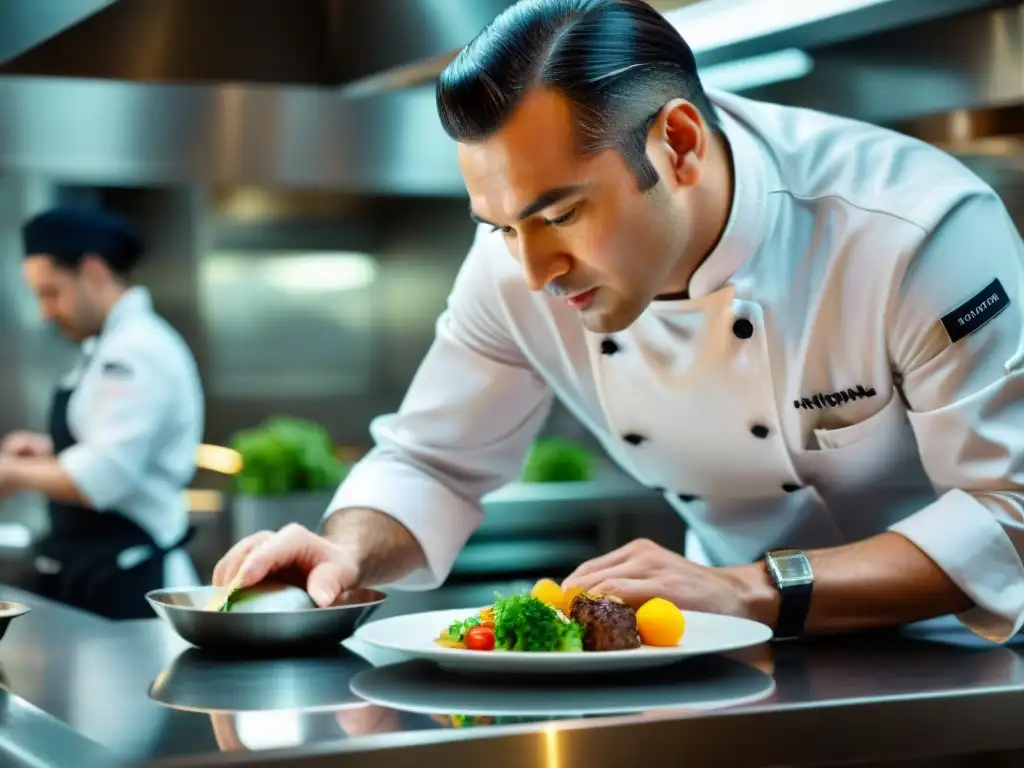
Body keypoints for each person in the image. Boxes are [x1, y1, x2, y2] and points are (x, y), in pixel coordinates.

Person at [214, 0, 1024, 642]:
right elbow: (431, 461)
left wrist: (746, 589)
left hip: (966, 651)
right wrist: (347, 547)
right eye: (500, 226)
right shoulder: (511, 266)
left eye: (561, 214)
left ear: (677, 143)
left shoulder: (916, 230)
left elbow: (1009, 516)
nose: (531, 271)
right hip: (728, 648)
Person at [0, 206, 204, 620]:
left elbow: (102, 477)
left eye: (51, 292)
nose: (45, 311)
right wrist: (48, 450)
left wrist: (10, 473)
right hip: (101, 572)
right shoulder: (108, 347)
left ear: (92, 270)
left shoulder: (135, 351)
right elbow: (112, 446)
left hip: (131, 581)